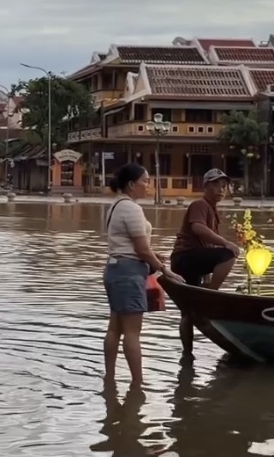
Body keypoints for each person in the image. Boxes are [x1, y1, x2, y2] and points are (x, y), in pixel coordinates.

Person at [103, 163, 182, 387]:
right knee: (132, 333)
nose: (148, 185)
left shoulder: (116, 206)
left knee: (115, 328)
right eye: (145, 181)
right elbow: (141, 249)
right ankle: (138, 385)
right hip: (128, 273)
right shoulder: (131, 208)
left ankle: (110, 378)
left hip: (115, 269)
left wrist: (151, 255)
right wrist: (164, 269)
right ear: (131, 184)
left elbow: (129, 244)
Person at [170, 168, 239, 359]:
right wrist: (225, 242)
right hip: (186, 257)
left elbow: (206, 244)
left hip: (188, 260)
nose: (221, 189)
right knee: (228, 254)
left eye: (224, 186)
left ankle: (187, 354)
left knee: (188, 312)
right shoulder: (200, 204)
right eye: (216, 185)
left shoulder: (212, 210)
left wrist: (207, 274)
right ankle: (211, 294)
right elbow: (198, 228)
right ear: (206, 186)